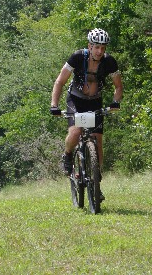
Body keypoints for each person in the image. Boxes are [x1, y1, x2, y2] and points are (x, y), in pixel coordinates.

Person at [50, 28, 123, 195]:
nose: (100, 51)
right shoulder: (77, 57)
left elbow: (118, 86)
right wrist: (54, 105)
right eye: (97, 47)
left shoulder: (109, 62)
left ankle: (96, 181)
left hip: (95, 102)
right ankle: (68, 154)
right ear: (89, 46)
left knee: (98, 144)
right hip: (76, 100)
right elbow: (60, 82)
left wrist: (115, 102)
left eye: (103, 48)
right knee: (75, 133)